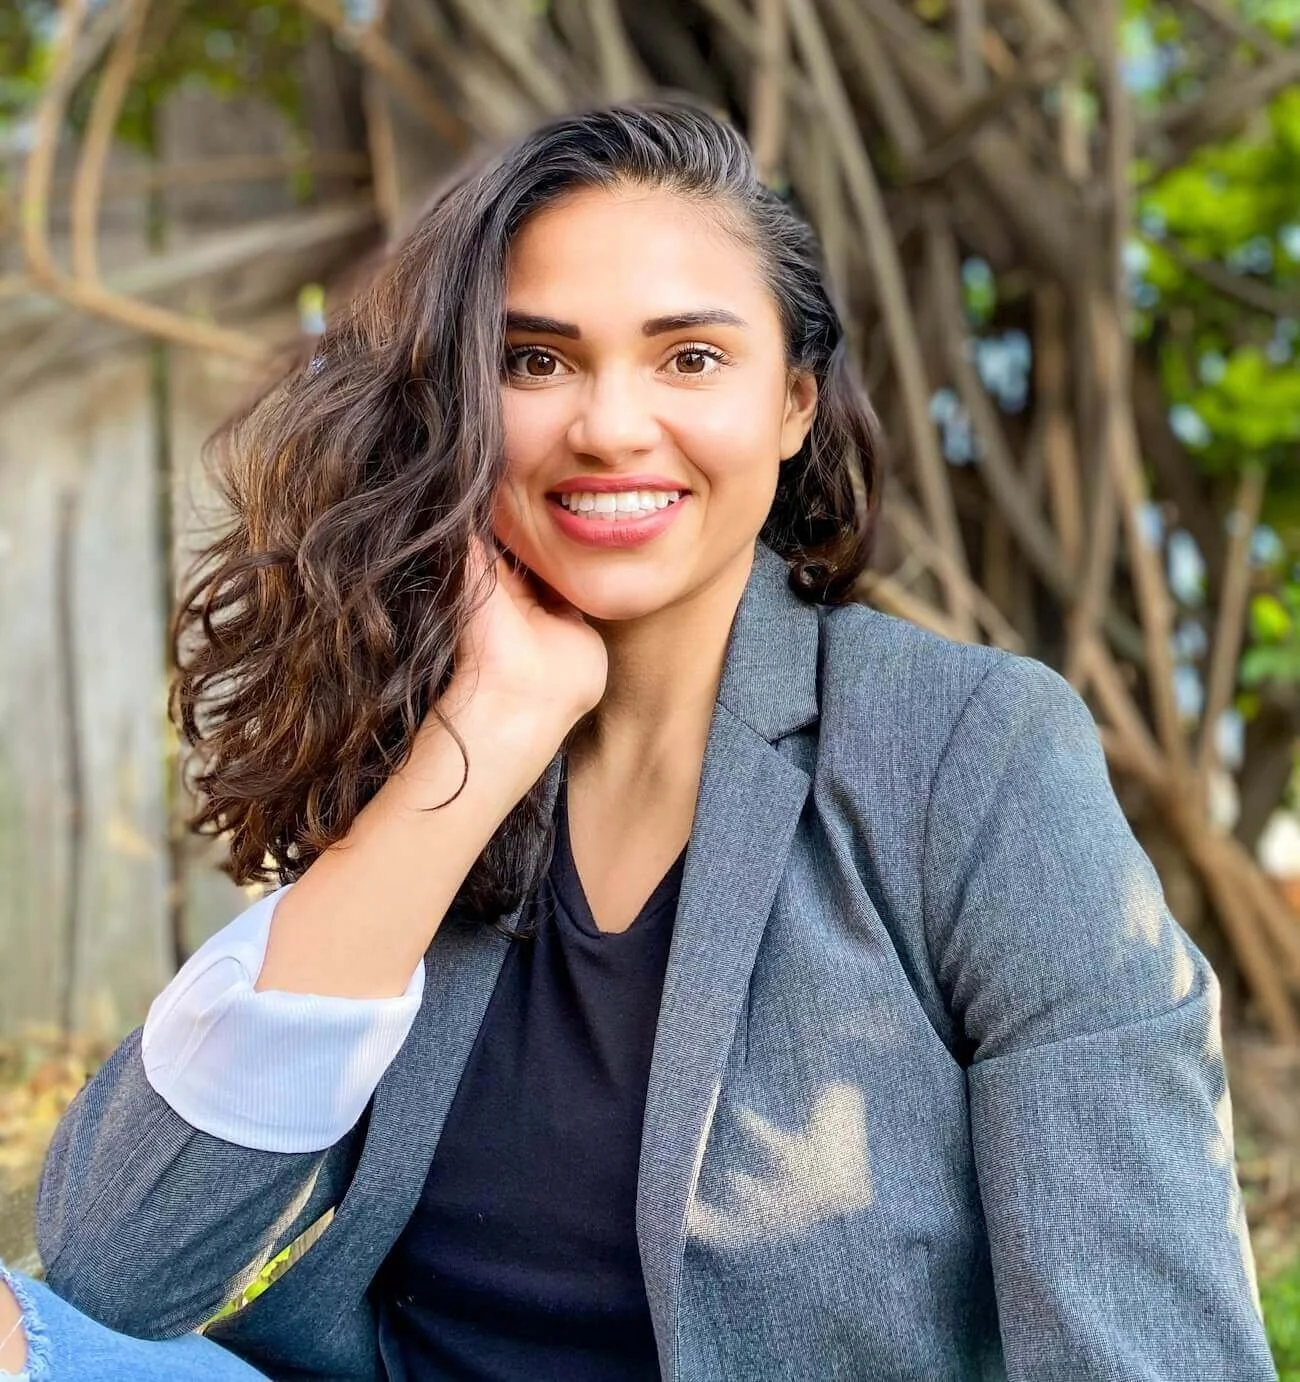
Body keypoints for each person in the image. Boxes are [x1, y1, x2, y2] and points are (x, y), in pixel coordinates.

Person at [1, 97, 1276, 1382]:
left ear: (793, 402)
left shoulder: (972, 753)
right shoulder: (429, 739)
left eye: (689, 358)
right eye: (535, 361)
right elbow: (119, 1261)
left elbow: (1147, 1346)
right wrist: (492, 726)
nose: (608, 426)